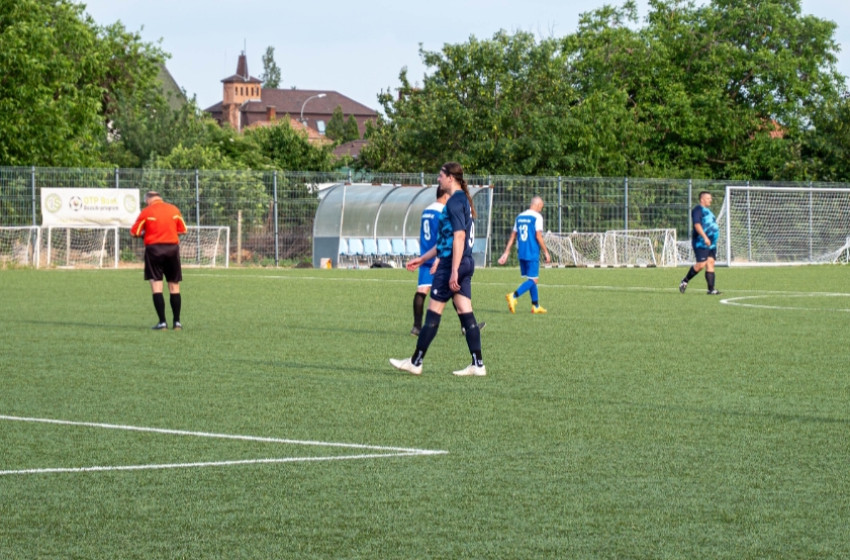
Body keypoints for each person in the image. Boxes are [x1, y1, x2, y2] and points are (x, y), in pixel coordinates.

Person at [390, 162, 486, 377]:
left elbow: (459, 237)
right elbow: (446, 239)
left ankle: (416, 361)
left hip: (453, 264)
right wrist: (422, 258)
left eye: (440, 176)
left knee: (433, 314)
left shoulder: (453, 203)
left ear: (450, 178)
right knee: (465, 311)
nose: (438, 179)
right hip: (465, 262)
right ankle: (478, 364)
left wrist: (452, 270)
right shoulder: (461, 201)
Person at [410, 186, 485, 337]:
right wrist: (439, 259)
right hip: (440, 256)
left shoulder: (427, 211)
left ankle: (416, 327)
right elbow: (446, 237)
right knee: (454, 290)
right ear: (445, 196)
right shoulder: (442, 212)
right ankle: (466, 326)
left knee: (422, 291)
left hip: (425, 254)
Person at [130, 191, 188, 329]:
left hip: (154, 250)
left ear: (148, 200)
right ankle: (177, 322)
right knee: (174, 286)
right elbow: (183, 229)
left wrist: (148, 232)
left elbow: (135, 232)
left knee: (157, 285)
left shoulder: (147, 211)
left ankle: (162, 323)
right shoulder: (174, 209)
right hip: (172, 250)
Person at [498, 196, 552, 314]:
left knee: (531, 278)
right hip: (532, 251)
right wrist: (546, 252)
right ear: (537, 205)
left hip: (522, 252)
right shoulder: (537, 217)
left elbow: (513, 235)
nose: (541, 210)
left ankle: (535, 306)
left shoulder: (520, 217)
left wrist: (506, 253)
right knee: (534, 280)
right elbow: (538, 236)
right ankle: (514, 296)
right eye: (541, 207)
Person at [679, 191, 721, 295]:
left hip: (711, 243)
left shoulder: (709, 212)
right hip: (701, 242)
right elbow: (697, 225)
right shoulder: (698, 210)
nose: (710, 200)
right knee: (701, 265)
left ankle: (711, 289)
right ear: (702, 199)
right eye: (708, 198)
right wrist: (705, 237)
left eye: (710, 198)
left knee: (710, 263)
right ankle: (685, 280)